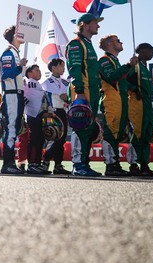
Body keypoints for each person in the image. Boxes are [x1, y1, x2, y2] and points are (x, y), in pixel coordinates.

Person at [65, 13, 103, 177]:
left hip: (92, 92)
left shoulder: (89, 44)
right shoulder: (76, 43)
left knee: (88, 128)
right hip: (82, 91)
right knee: (80, 128)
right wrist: (80, 91)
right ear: (85, 25)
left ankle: (84, 164)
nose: (98, 26)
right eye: (95, 23)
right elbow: (74, 69)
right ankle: (78, 165)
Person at [96, 35, 137, 176]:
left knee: (117, 133)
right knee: (110, 132)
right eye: (118, 40)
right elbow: (112, 77)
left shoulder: (115, 60)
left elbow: (123, 81)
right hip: (111, 99)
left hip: (121, 99)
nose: (121, 42)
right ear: (110, 44)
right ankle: (110, 165)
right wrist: (129, 65)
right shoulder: (104, 60)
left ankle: (116, 164)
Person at [126, 43, 153, 177]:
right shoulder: (134, 66)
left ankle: (145, 166)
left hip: (147, 104)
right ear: (142, 51)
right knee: (137, 133)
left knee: (147, 134)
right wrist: (134, 89)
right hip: (136, 103)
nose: (152, 54)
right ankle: (133, 165)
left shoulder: (145, 68)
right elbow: (123, 80)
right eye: (151, 51)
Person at [0, 25, 28, 174]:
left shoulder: (15, 52)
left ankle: (10, 163)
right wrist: (19, 67)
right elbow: (5, 74)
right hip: (11, 95)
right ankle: (7, 164)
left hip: (17, 94)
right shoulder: (8, 52)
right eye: (19, 33)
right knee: (11, 128)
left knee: (15, 128)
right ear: (13, 36)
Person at [40, 60, 70, 175]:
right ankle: (45, 162)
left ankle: (58, 165)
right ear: (53, 68)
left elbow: (68, 97)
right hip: (52, 112)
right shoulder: (46, 82)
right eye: (60, 66)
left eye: (63, 66)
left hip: (63, 111)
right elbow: (46, 98)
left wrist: (67, 98)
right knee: (53, 137)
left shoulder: (65, 82)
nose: (63, 68)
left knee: (62, 140)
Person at [20, 65, 51, 175]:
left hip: (39, 115)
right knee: (34, 140)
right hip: (33, 116)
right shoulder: (29, 83)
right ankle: (32, 164)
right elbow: (28, 99)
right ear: (29, 73)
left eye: (39, 70)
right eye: (37, 70)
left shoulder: (37, 84)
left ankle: (37, 163)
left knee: (40, 140)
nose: (39, 72)